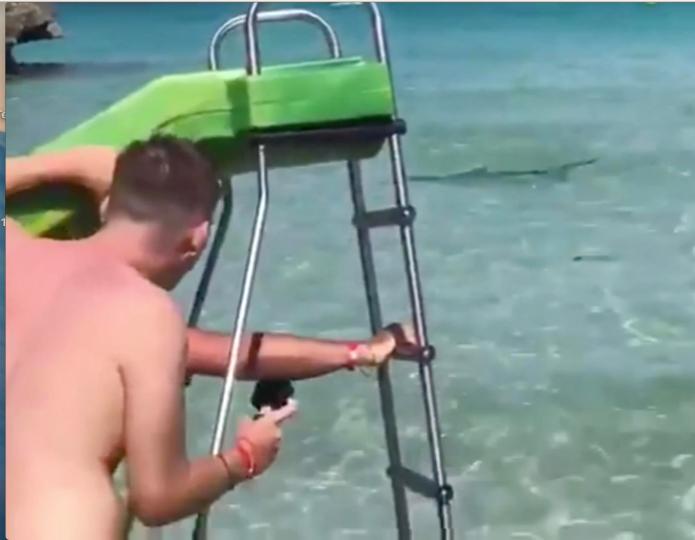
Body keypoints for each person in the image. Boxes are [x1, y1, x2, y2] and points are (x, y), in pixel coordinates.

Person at [4, 137, 413, 539]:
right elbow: (158, 498)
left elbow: (228, 353)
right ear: (196, 239)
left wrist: (62, 164)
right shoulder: (145, 313)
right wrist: (245, 458)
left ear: (109, 206)